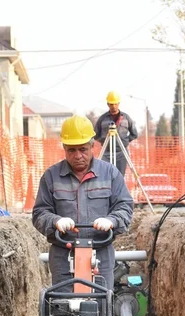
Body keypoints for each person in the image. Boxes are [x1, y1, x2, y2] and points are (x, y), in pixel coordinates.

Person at [32, 114, 134, 295]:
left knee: (101, 308)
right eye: (71, 150)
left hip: (100, 254)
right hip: (63, 255)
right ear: (64, 148)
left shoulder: (110, 174)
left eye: (83, 149)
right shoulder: (51, 177)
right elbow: (40, 213)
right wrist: (55, 220)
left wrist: (112, 220)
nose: (78, 156)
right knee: (64, 308)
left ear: (92, 145)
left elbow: (124, 206)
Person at [94, 91, 138, 176]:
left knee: (120, 177)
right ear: (108, 104)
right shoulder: (102, 119)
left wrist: (125, 141)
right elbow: (95, 134)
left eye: (115, 104)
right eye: (111, 104)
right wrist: (103, 140)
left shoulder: (126, 117)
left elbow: (134, 133)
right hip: (106, 153)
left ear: (118, 103)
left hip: (121, 152)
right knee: (105, 176)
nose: (113, 106)